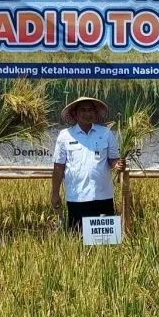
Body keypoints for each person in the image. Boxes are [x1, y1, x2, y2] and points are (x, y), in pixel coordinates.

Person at [51, 97, 123, 231]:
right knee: (78, 236)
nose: (87, 113)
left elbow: (112, 159)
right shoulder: (65, 135)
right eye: (83, 110)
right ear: (75, 113)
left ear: (95, 113)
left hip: (103, 195)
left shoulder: (106, 133)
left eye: (90, 110)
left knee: (105, 238)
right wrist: (55, 194)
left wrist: (116, 165)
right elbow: (58, 167)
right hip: (77, 197)